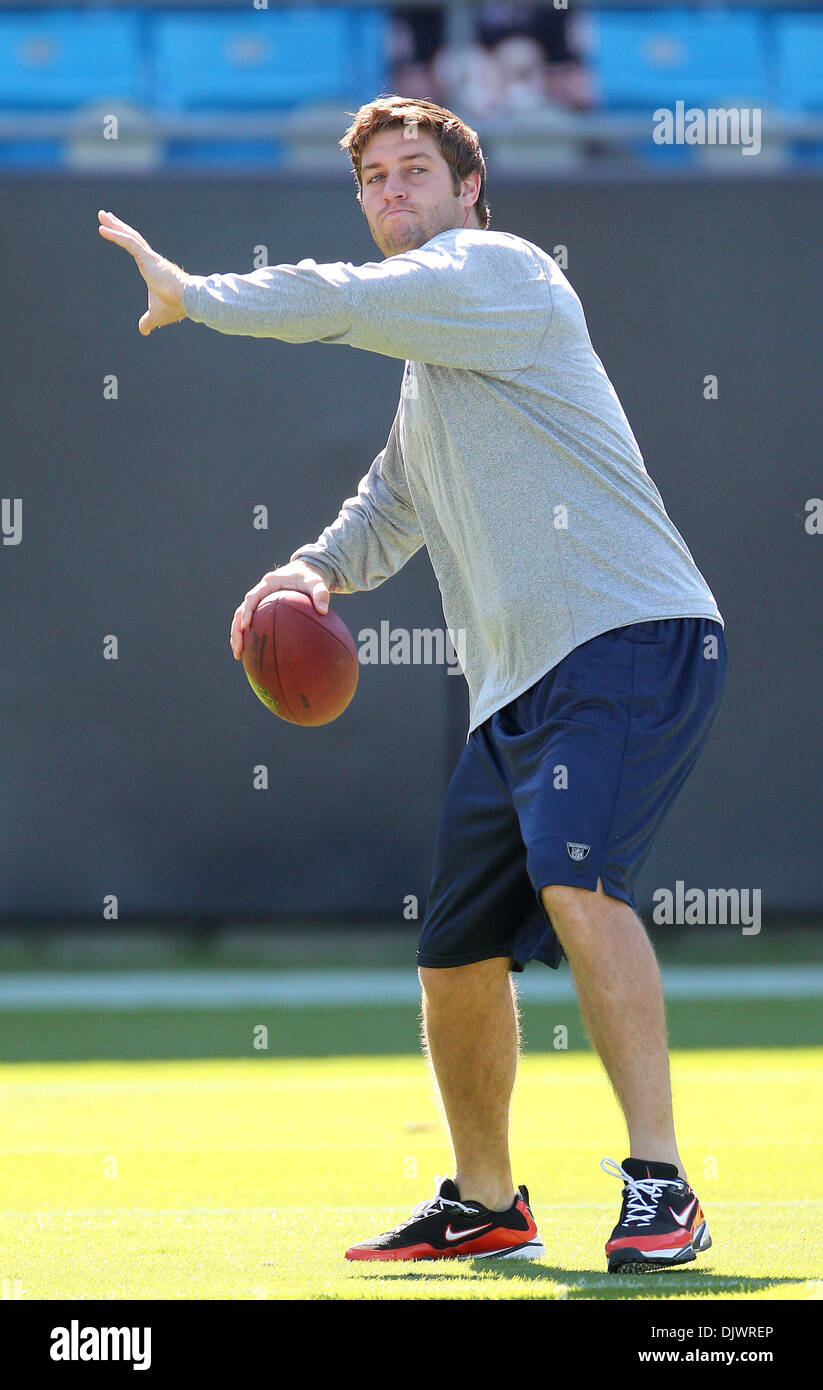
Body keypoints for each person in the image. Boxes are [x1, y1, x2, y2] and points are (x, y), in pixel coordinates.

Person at [97, 94, 726, 1272]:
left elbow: (340, 298)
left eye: (413, 172)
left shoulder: (497, 272)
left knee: (577, 883)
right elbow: (392, 502)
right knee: (450, 950)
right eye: (373, 179)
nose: (391, 193)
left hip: (628, 634)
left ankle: (662, 1182)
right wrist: (309, 571)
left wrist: (199, 295)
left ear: (468, 189)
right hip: (517, 685)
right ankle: (485, 1200)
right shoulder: (435, 356)